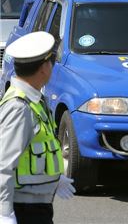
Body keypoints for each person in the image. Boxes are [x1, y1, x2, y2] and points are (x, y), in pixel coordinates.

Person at [0, 31, 75, 224]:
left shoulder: (33, 100)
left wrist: (54, 178)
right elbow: (3, 164)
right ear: (43, 67)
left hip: (35, 205)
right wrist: (4, 213)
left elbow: (36, 150)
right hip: (23, 209)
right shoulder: (19, 107)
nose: (52, 67)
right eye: (52, 62)